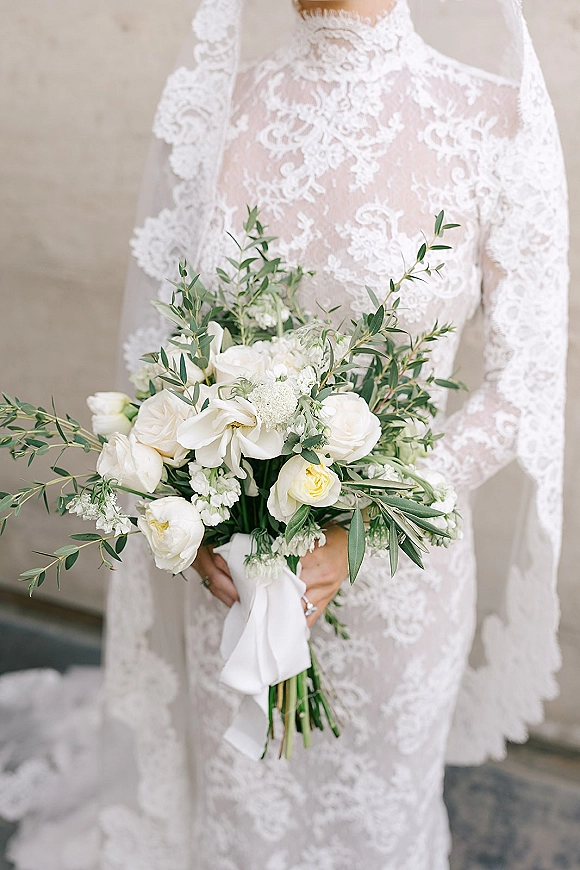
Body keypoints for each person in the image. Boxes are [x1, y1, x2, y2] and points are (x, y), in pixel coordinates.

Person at [0, 1, 569, 868]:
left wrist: (363, 520)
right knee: (243, 808)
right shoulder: (217, 109)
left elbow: (522, 385)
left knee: (377, 824)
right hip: (232, 572)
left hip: (400, 590)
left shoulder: (491, 123)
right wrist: (188, 518)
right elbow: (166, 352)